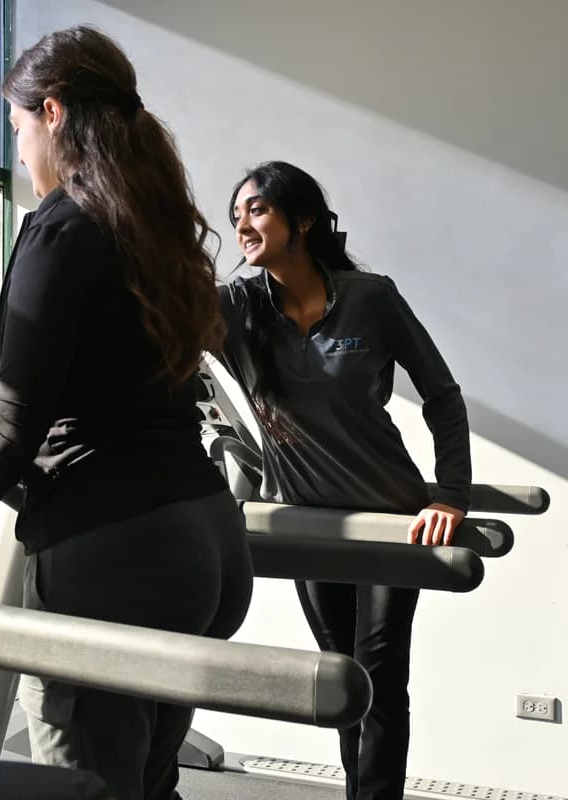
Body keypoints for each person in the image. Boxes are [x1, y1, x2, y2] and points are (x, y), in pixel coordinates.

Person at [0, 25, 253, 800]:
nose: (19, 154)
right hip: (202, 539)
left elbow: (15, 417)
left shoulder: (61, 224)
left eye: (17, 132)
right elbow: (61, 354)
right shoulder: (148, 226)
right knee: (147, 782)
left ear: (52, 112)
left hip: (114, 556)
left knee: (86, 789)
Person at [215, 161, 472, 800]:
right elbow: (152, 337)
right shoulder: (238, 305)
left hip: (391, 518)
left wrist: (451, 494)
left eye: (257, 209)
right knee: (340, 678)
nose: (243, 224)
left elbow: (442, 395)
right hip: (309, 521)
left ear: (302, 219)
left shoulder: (371, 297)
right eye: (236, 215)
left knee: (380, 675)